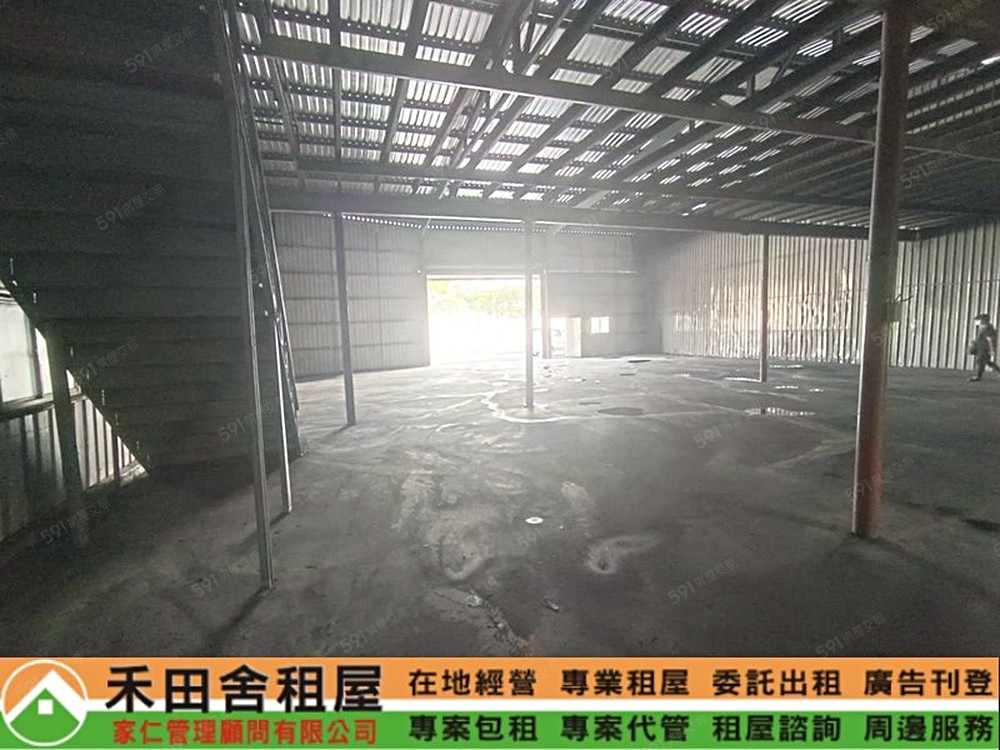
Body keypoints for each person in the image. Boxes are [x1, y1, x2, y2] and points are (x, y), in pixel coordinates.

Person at [969, 313, 999, 381]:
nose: (977, 322)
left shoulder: (988, 328)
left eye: (979, 320)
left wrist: (992, 349)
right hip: (981, 347)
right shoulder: (982, 327)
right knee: (987, 362)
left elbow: (990, 339)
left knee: (980, 361)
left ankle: (978, 376)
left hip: (984, 348)